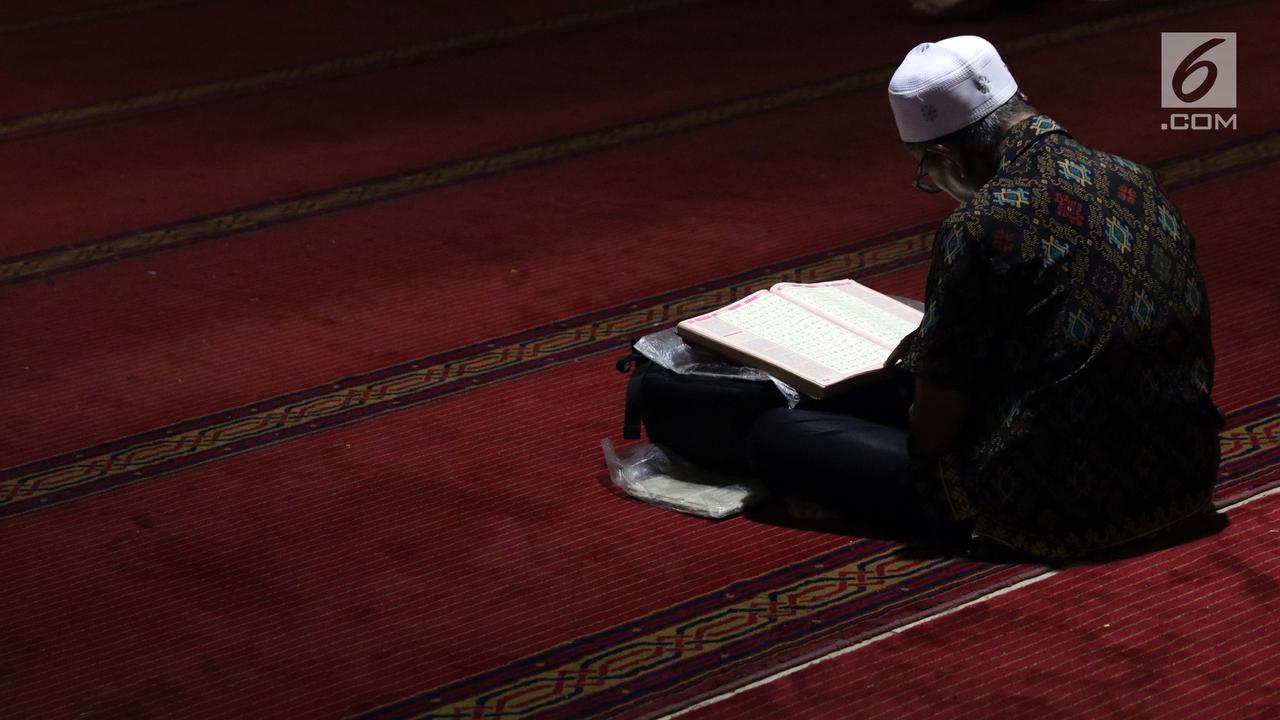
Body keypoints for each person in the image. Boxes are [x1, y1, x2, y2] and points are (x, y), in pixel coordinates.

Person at [748, 35, 1222, 559]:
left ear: (946, 155)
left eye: (925, 172)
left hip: (1056, 504)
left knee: (778, 432)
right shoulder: (1135, 177)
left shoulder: (981, 224)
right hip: (1183, 472)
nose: (930, 183)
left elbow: (933, 428)